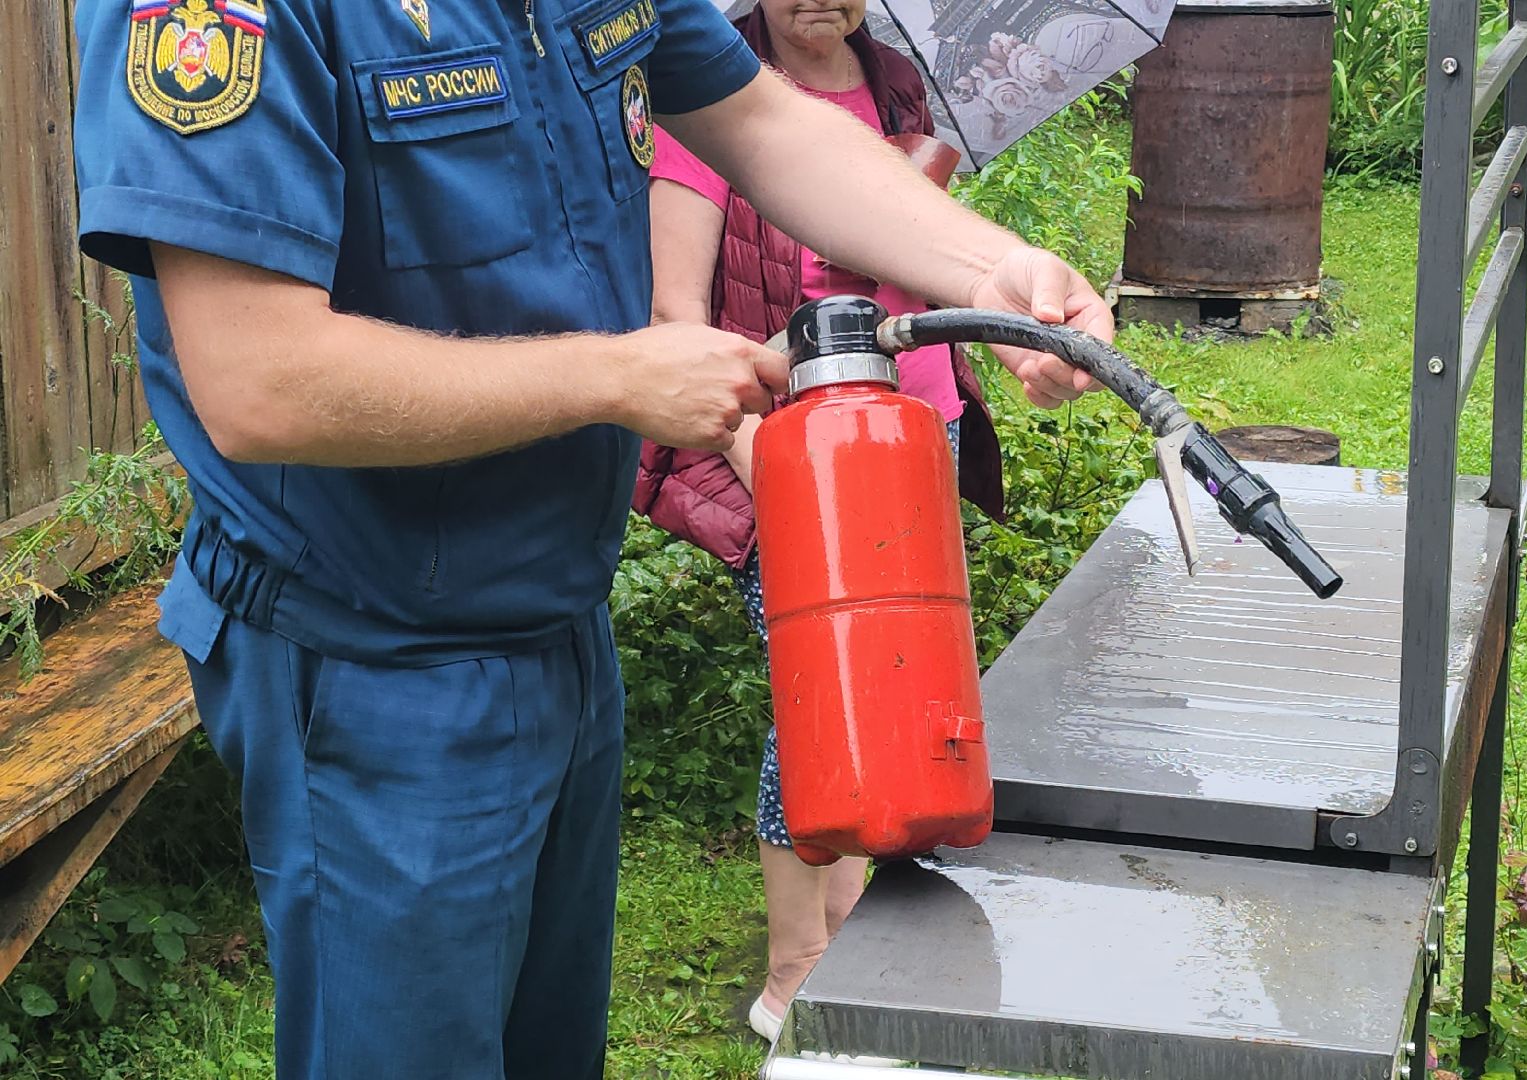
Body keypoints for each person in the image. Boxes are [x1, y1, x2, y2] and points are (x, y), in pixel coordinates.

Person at [68, 0, 1108, 1076]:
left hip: (561, 621)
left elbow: (760, 122)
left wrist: (987, 269)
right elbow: (258, 380)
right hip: (369, 661)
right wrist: (615, 377)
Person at [631, 0, 999, 1048]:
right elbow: (675, 316)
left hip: (911, 439)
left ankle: (854, 926)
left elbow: (914, 276)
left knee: (899, 678)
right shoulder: (711, 99)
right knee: (819, 695)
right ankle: (796, 956)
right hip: (788, 453)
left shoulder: (897, 90)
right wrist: (778, 472)